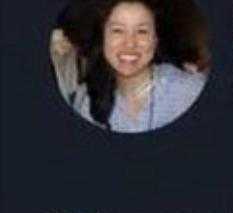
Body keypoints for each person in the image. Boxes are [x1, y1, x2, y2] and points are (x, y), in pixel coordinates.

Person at [69, 0, 207, 133]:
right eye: (117, 30)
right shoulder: (87, 101)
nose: (130, 43)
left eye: (142, 31)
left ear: (155, 40)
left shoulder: (189, 91)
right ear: (103, 38)